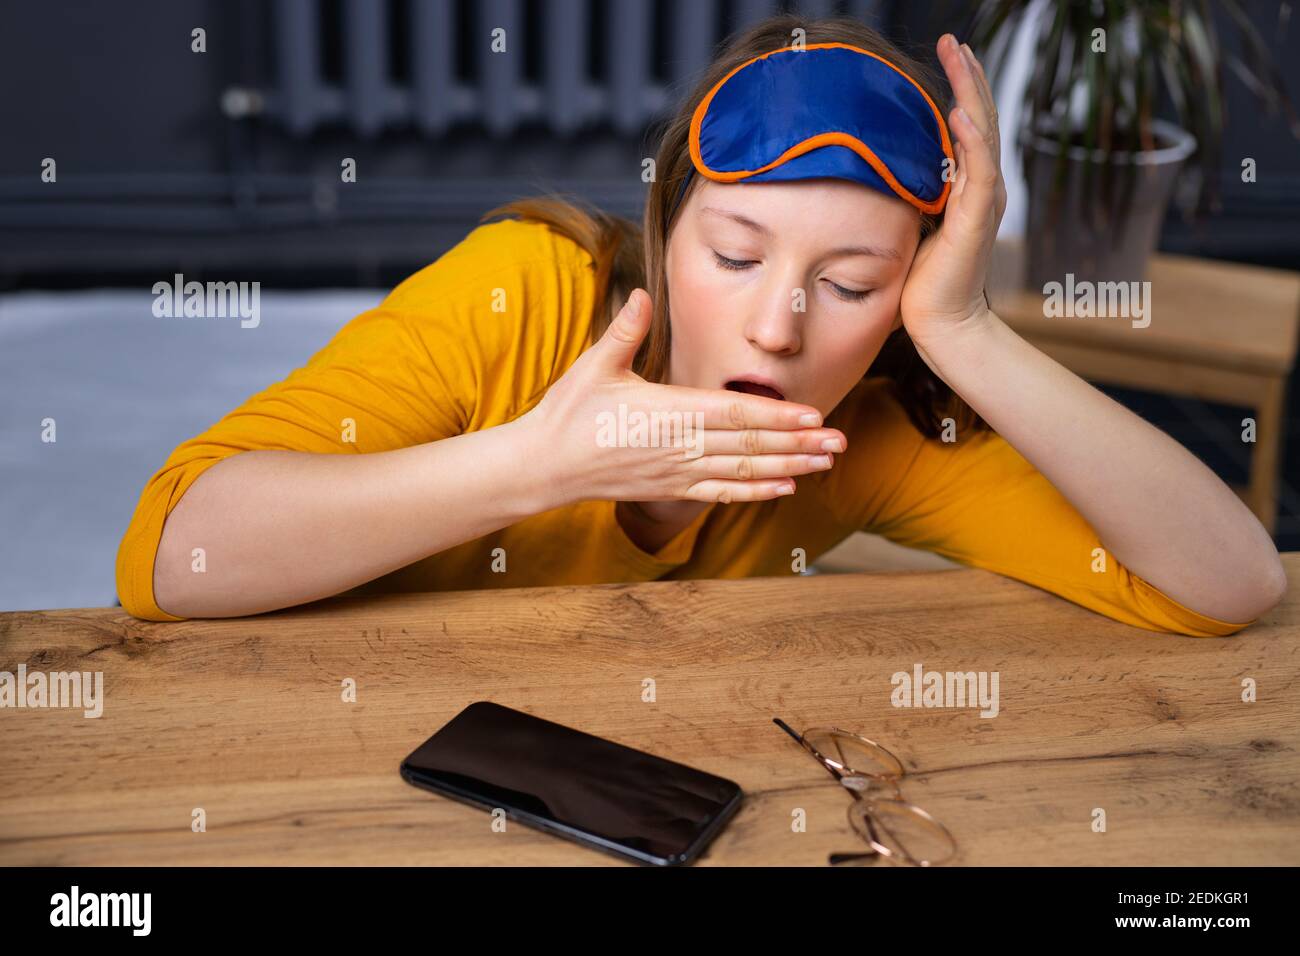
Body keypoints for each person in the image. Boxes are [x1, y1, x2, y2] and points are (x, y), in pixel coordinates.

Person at [116, 14, 1285, 634]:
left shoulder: (856, 434)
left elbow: (1229, 582)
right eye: (733, 255)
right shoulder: (523, 289)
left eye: (849, 283)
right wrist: (535, 463)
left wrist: (966, 326)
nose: (777, 325)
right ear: (666, 228)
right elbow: (168, 558)